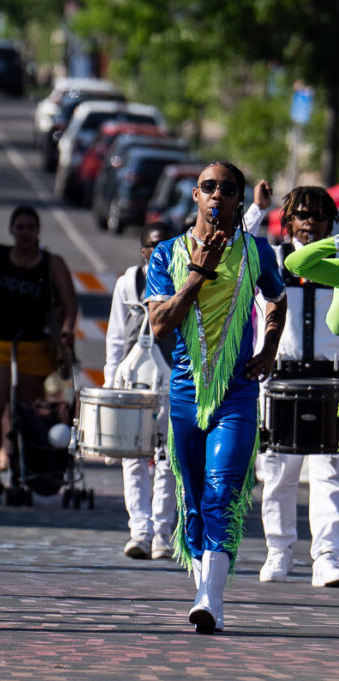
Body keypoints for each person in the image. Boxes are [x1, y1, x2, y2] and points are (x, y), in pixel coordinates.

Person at [146, 161, 286, 634]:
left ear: (238, 199)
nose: (217, 195)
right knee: (193, 501)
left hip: (237, 393)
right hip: (185, 393)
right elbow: (159, 324)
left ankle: (211, 598)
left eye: (227, 189)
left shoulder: (255, 251)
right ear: (195, 195)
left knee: (222, 491)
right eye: (209, 187)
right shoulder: (166, 254)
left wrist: (269, 347)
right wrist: (197, 275)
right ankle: (204, 586)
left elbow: (277, 298)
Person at [0, 205, 78, 505]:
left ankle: (23, 472)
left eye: (31, 227)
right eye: (20, 227)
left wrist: (66, 331)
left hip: (35, 345)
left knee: (26, 412)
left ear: (38, 231)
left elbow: (70, 303)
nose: (25, 233)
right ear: (12, 230)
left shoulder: (52, 263)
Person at [260, 188, 339, 585]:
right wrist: (256, 209)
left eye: (320, 215)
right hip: (281, 377)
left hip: (330, 376)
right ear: (288, 220)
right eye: (303, 215)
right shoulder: (272, 259)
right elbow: (235, 248)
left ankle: (327, 555)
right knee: (278, 473)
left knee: (329, 472)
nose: (311, 222)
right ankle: (279, 552)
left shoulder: (335, 262)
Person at [104, 222, 177, 559]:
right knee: (133, 457)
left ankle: (162, 532)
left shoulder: (184, 281)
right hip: (132, 381)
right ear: (143, 250)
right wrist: (110, 385)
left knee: (167, 458)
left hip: (170, 381)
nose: (159, 251)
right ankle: (140, 530)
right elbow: (116, 337)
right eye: (153, 245)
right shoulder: (128, 282)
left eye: (166, 245)